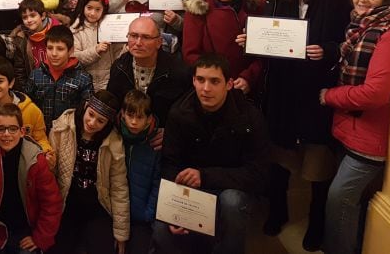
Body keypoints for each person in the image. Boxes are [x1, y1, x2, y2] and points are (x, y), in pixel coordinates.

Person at [261, 0, 352, 250]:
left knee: (317, 161)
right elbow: (269, 33)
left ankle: (316, 222)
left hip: (315, 89)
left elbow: (345, 40)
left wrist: (326, 50)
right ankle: (277, 210)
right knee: (279, 155)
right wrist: (254, 38)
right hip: (283, 88)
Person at [151, 54, 271, 254]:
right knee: (162, 232)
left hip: (230, 189)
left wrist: (205, 176)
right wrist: (174, 209)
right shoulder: (179, 112)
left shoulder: (249, 117)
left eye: (215, 81)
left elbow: (259, 174)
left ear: (229, 84)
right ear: (193, 81)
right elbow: (170, 164)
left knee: (232, 203)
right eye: (200, 80)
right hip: (191, 193)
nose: (206, 89)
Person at [320, 0, 390, 254]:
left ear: (387, 0)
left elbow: (377, 92)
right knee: (350, 204)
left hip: (368, 137)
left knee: (340, 201)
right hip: (349, 129)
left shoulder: (387, 35)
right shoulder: (360, 27)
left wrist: (329, 96)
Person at [0, 103, 63, 254]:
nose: (7, 134)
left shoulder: (36, 159)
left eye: (12, 129)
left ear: (22, 131)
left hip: (25, 231)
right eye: (0, 129)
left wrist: (40, 237)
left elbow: (52, 203)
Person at [48, 90, 129, 254]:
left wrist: (121, 233)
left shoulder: (113, 142)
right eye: (90, 114)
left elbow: (119, 187)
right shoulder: (61, 128)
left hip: (97, 206)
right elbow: (50, 175)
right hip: (66, 203)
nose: (92, 123)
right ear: (85, 107)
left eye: (100, 121)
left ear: (107, 123)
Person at [182, 0, 264, 94]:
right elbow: (190, 54)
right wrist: (214, 78)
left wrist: (248, 77)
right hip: (211, 84)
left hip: (243, 84)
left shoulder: (254, 7)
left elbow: (263, 53)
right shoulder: (198, 10)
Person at [107, 16, 191, 131]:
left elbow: (187, 111)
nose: (138, 43)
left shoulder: (178, 71)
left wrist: (171, 133)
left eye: (146, 37)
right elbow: (112, 105)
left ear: (159, 42)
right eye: (133, 36)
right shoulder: (119, 67)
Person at [0, 57, 51, 151]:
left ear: (11, 83)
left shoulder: (30, 110)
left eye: (0, 81)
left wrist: (47, 154)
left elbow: (41, 140)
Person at [24, 25, 94, 131]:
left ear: (70, 50)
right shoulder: (36, 75)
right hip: (40, 133)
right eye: (50, 48)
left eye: (60, 49)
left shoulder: (83, 78)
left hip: (69, 135)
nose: (54, 53)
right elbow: (27, 105)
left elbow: (86, 112)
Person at [120, 90, 161, 251]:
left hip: (142, 217)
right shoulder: (116, 138)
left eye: (140, 117)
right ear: (123, 114)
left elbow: (158, 183)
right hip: (117, 215)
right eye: (130, 116)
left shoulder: (155, 146)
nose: (134, 122)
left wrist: (148, 213)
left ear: (149, 119)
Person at [9, 0, 70, 87]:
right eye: (25, 17)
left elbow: (70, 60)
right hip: (36, 87)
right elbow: (20, 71)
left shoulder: (60, 31)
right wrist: (28, 90)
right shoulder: (21, 39)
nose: (29, 20)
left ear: (43, 15)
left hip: (61, 84)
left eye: (33, 15)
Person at [70, 0, 124, 90]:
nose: (92, 13)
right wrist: (95, 50)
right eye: (89, 8)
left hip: (109, 80)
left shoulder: (110, 27)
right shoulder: (75, 29)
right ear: (83, 7)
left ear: (103, 10)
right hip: (85, 81)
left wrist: (126, 48)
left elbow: (118, 54)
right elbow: (75, 57)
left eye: (98, 9)